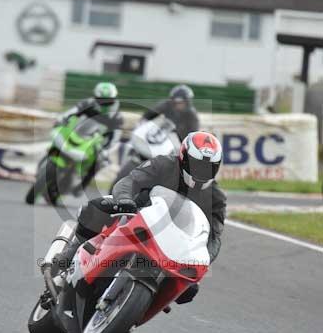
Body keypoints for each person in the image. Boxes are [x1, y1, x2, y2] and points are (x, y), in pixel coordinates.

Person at [48, 131, 226, 306]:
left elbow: (214, 236)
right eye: (196, 165)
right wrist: (125, 200)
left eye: (208, 167)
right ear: (183, 158)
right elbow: (130, 181)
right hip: (136, 213)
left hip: (173, 243)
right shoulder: (163, 164)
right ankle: (66, 258)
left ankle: (138, 306)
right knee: (95, 208)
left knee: (189, 289)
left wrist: (201, 259)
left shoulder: (216, 197)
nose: (201, 171)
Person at [59, 82, 123, 192]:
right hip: (77, 132)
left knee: (100, 161)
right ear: (96, 97)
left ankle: (82, 185)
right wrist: (63, 118)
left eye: (108, 100)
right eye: (101, 99)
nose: (105, 103)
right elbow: (72, 111)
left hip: (96, 141)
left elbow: (116, 135)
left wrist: (107, 149)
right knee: (59, 136)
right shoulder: (87, 103)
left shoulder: (116, 116)